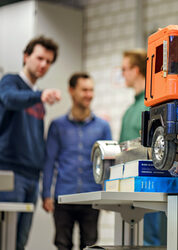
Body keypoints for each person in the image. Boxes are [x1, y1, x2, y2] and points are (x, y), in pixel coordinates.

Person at [0, 36, 60, 250]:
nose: (44, 65)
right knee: (4, 240)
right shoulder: (10, 82)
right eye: (40, 58)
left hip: (32, 178)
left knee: (19, 242)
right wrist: (40, 95)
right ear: (26, 57)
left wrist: (45, 188)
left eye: (49, 61)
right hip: (9, 173)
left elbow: (36, 141)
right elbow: (9, 99)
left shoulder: (37, 98)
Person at [42, 73, 112, 250]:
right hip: (63, 196)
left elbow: (109, 162)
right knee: (62, 244)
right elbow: (49, 161)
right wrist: (46, 193)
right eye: (84, 90)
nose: (89, 94)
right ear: (72, 91)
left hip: (92, 196)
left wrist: (109, 193)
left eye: (91, 90)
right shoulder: (57, 125)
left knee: (90, 244)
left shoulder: (103, 127)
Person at [120, 49, 162, 246]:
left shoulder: (151, 107)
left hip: (148, 184)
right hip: (127, 185)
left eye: (124, 69)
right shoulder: (130, 110)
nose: (122, 74)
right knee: (128, 239)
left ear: (136, 70)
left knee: (147, 240)